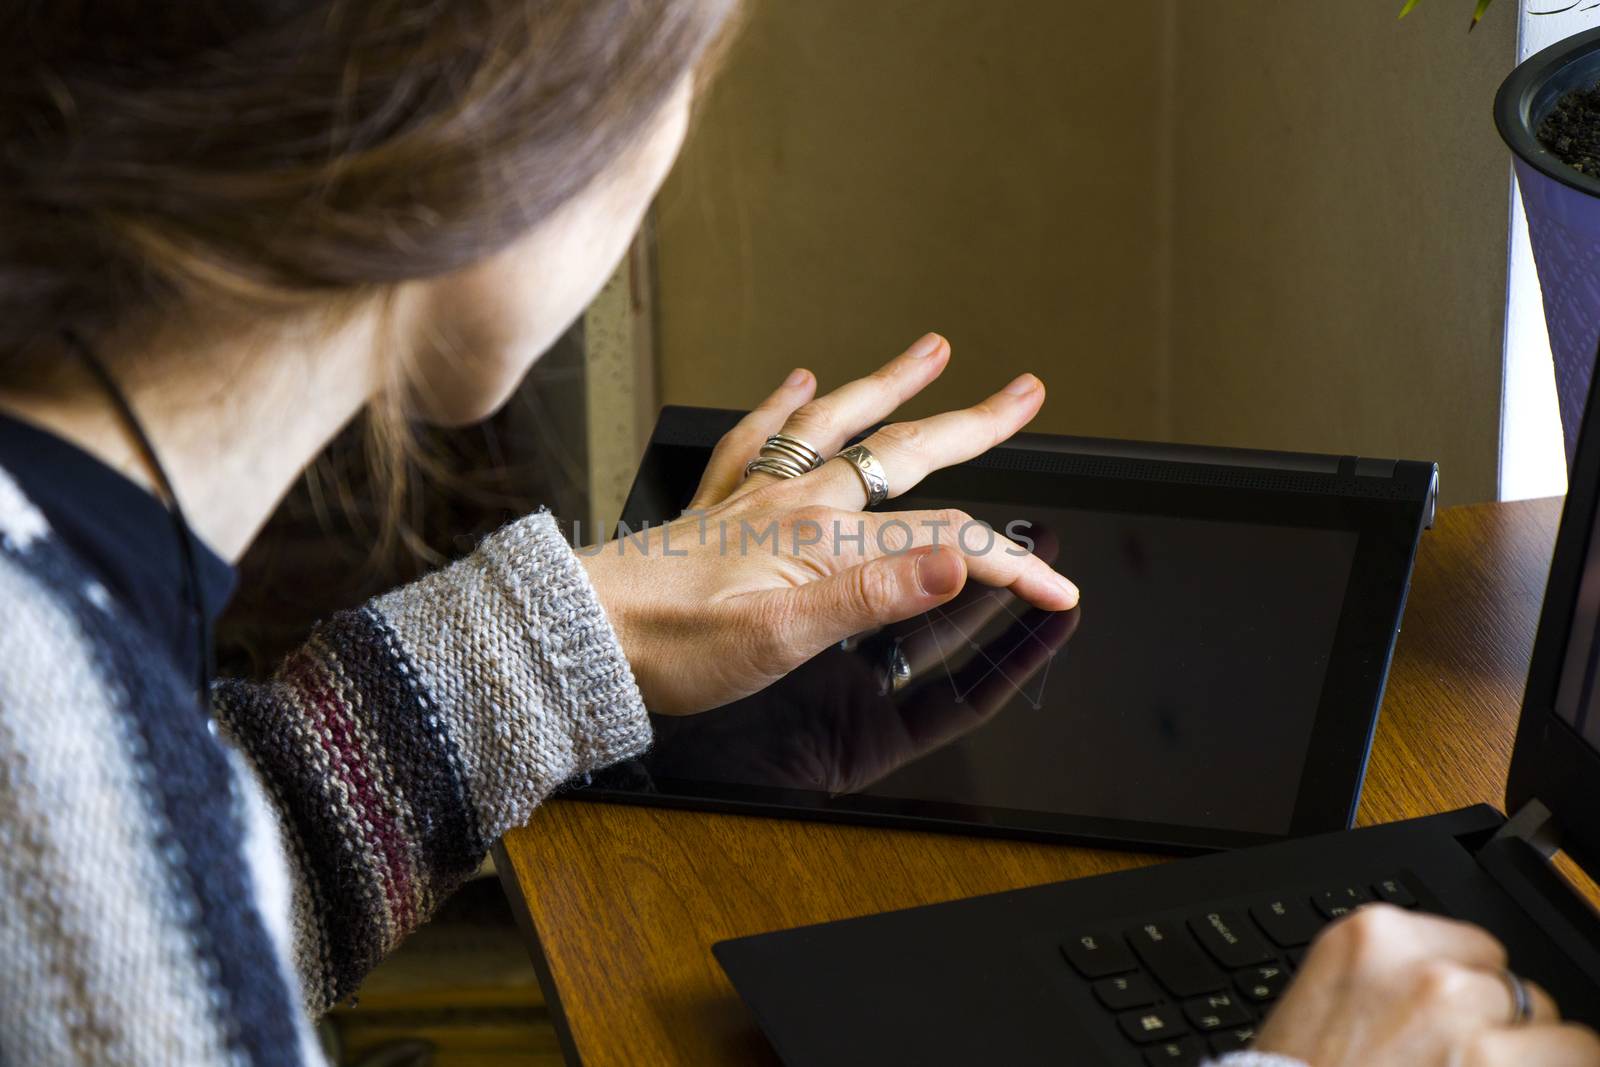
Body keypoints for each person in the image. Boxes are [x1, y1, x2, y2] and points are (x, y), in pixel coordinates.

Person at [0, 4, 1591, 1066]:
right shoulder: (56, 779)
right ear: (490, 102)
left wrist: (568, 641)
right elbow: (111, 903)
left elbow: (147, 873)